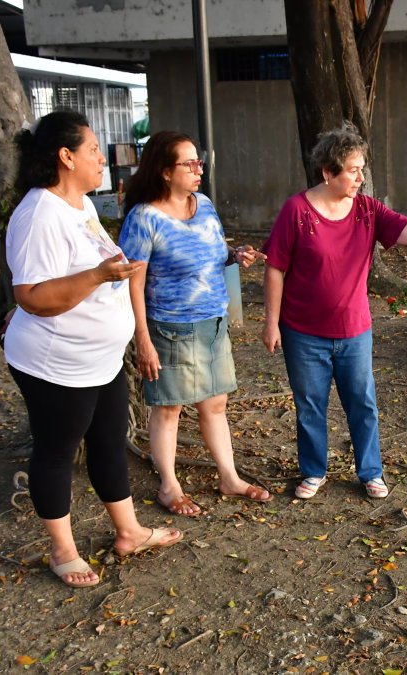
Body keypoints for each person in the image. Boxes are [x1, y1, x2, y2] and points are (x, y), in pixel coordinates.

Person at [261, 122, 407, 500]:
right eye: (353, 169)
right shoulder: (296, 211)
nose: (360, 176)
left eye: (361, 168)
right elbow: (275, 267)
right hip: (302, 333)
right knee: (309, 407)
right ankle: (313, 471)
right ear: (327, 172)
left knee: (362, 404)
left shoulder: (367, 211)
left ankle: (371, 471)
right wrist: (271, 323)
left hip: (354, 331)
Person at [4, 111, 182, 588]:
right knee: (57, 451)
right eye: (94, 150)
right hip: (56, 363)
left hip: (98, 360)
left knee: (107, 440)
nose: (104, 158)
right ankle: (63, 550)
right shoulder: (40, 213)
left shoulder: (79, 204)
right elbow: (32, 296)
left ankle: (128, 531)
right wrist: (100, 275)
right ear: (66, 157)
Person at [117, 131, 269, 516]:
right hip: (169, 327)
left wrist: (236, 256)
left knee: (215, 403)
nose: (198, 169)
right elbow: (131, 284)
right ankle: (169, 486)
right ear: (166, 172)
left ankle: (229, 477)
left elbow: (214, 254)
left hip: (213, 322)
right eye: (189, 163)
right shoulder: (144, 218)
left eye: (199, 162)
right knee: (168, 407)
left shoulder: (203, 204)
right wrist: (144, 340)